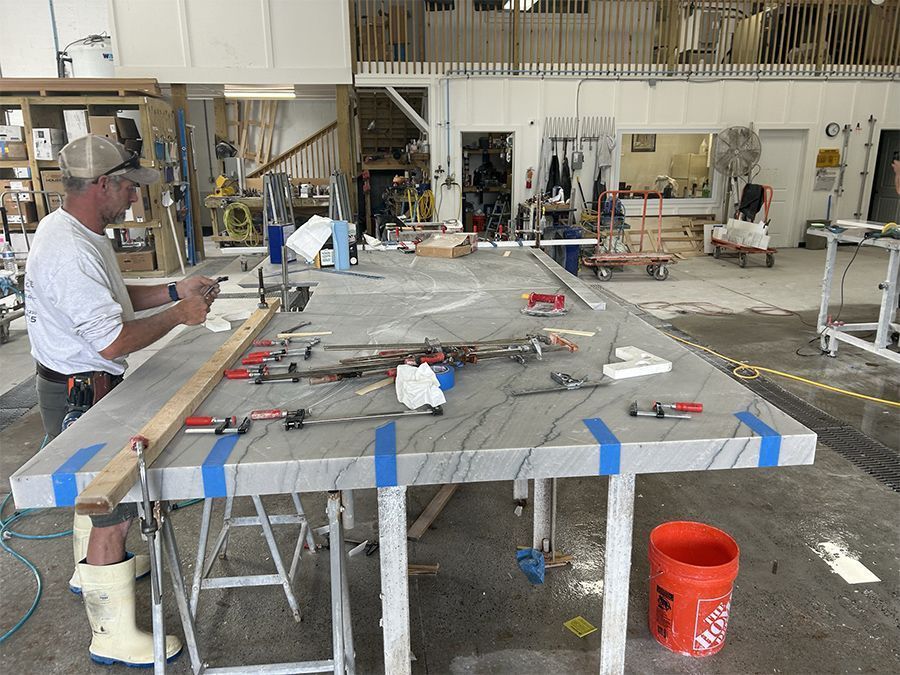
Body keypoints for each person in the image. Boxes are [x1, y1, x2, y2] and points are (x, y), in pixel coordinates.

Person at [25, 134, 220, 667]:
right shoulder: (68, 249)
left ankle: (90, 569)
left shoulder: (78, 230)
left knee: (95, 487)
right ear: (104, 183)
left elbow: (114, 297)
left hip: (81, 382)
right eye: (131, 187)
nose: (136, 197)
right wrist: (180, 317)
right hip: (80, 390)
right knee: (111, 500)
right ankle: (111, 632)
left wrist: (175, 291)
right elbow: (113, 338)